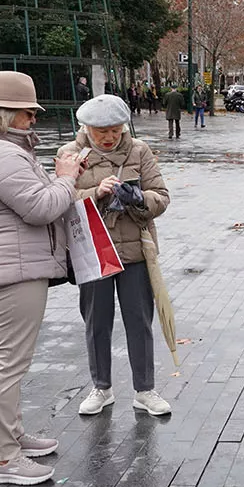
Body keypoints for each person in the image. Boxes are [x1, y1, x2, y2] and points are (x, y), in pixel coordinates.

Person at [0, 71, 82, 486]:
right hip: (13, 269)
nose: (34, 120)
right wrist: (66, 176)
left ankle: (11, 438)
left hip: (14, 263)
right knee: (9, 363)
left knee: (12, 360)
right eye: (29, 113)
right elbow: (41, 207)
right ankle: (4, 459)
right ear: (5, 114)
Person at [57, 95, 173, 416]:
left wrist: (137, 197)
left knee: (139, 321)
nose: (109, 137)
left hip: (135, 251)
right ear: (86, 128)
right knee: (97, 322)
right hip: (92, 252)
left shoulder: (139, 151)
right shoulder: (69, 155)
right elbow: (61, 199)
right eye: (100, 131)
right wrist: (97, 193)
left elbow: (161, 197)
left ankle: (145, 389)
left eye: (115, 130)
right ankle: (101, 387)